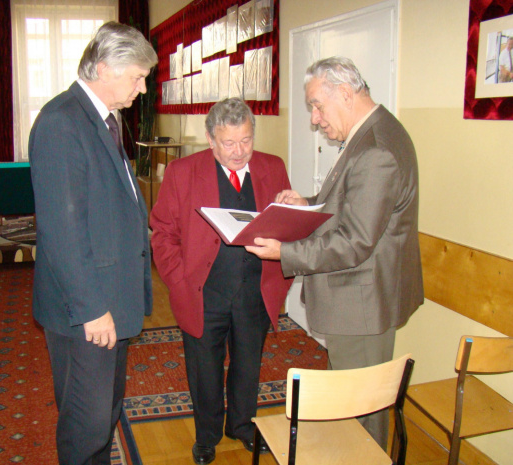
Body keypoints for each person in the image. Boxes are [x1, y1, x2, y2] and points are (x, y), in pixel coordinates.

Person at [245, 56, 424, 450]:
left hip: (362, 305)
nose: (313, 118)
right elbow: (353, 204)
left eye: (316, 105)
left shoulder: (376, 149)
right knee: (349, 404)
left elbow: (354, 241)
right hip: (359, 302)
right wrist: (307, 204)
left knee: (363, 413)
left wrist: (285, 252)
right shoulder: (369, 134)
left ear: (345, 94)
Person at [28, 22, 157, 465]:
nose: (142, 88)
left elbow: (108, 201)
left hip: (109, 299)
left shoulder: (103, 117)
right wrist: (91, 309)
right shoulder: (62, 122)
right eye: (136, 77)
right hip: (85, 310)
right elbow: (61, 232)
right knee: (86, 424)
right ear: (103, 67)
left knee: (105, 414)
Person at [150, 98, 293, 465]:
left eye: (246, 140)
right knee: (204, 369)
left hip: (254, 290)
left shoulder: (273, 167)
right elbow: (162, 232)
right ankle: (208, 435)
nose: (239, 151)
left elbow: (288, 225)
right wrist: (178, 281)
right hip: (202, 292)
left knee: (249, 364)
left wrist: (295, 207)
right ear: (211, 139)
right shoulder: (183, 172)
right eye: (228, 143)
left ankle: (242, 426)